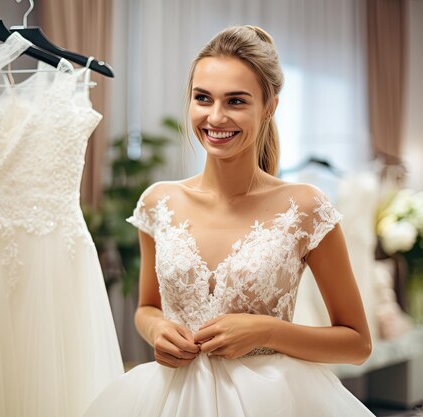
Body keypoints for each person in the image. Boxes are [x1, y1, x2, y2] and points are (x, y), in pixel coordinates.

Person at [85, 25, 375, 417]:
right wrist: (157, 330)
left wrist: (267, 332)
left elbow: (356, 343)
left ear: (269, 106)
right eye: (202, 98)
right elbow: (146, 307)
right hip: (170, 398)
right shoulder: (158, 202)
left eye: (236, 101)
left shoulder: (305, 207)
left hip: (275, 401)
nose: (215, 117)